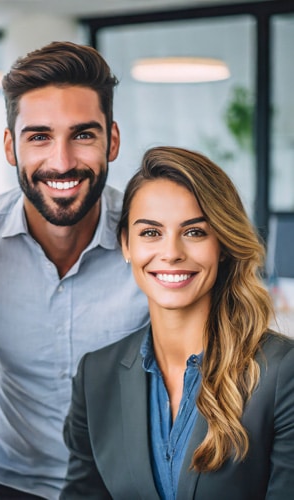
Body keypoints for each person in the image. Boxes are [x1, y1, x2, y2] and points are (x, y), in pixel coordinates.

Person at [0, 41, 149, 499]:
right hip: (17, 485)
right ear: (10, 146)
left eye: (83, 135)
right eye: (39, 136)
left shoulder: (152, 241)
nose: (61, 162)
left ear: (113, 140)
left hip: (135, 486)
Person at [61, 146, 294, 499]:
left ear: (224, 244)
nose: (171, 253)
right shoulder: (96, 376)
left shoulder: (281, 372)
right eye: (151, 233)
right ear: (126, 244)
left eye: (194, 232)